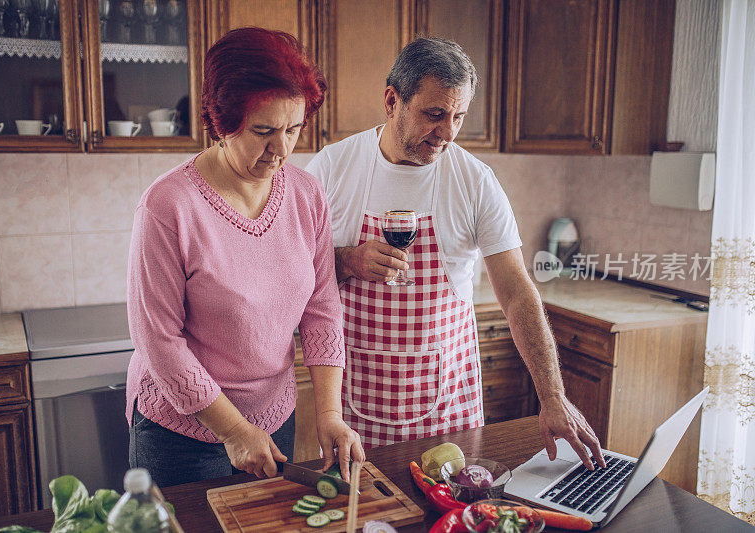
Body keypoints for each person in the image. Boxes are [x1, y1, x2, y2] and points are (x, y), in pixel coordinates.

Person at [305, 37, 605, 470]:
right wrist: (347, 260)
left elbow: (518, 291)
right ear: (392, 101)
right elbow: (294, 273)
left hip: (447, 409)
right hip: (354, 409)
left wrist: (553, 395)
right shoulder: (331, 168)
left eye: (458, 116)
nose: (447, 133)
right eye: (434, 114)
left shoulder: (475, 180)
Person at [126, 27, 364, 488]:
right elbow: (158, 340)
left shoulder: (307, 194)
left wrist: (330, 415)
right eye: (264, 131)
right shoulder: (168, 205)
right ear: (222, 121)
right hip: (181, 433)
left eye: (294, 129)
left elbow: (321, 309)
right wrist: (233, 430)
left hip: (275, 419)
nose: (282, 149)